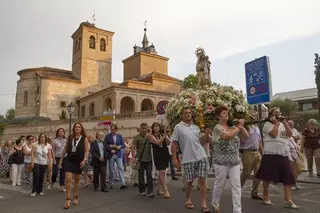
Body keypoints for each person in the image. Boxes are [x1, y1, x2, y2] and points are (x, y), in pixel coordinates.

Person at [256, 107, 299, 209]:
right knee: (267, 176)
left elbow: (289, 134)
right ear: (271, 115)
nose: (278, 114)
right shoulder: (267, 124)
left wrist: (284, 122)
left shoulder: (283, 125)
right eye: (276, 113)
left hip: (283, 153)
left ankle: (288, 200)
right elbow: (274, 134)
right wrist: (275, 123)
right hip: (270, 154)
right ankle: (265, 196)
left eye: (279, 113)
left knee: (288, 175)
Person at [172, 107, 211, 213]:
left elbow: (202, 142)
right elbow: (174, 143)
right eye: (186, 113)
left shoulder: (197, 127)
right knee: (189, 182)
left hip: (201, 156)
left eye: (190, 113)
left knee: (203, 181)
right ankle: (188, 199)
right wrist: (174, 158)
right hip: (188, 158)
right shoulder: (178, 127)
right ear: (182, 115)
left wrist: (207, 134)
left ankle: (203, 204)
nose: (188, 114)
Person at [211, 106, 249, 213]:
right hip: (221, 161)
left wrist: (241, 127)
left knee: (236, 185)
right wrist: (238, 127)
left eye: (227, 113)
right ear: (218, 116)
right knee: (220, 184)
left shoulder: (233, 127)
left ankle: (237, 210)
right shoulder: (217, 128)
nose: (226, 115)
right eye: (223, 113)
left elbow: (246, 136)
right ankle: (215, 203)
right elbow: (228, 136)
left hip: (234, 161)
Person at [59, 122, 89, 209]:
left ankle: (75, 197)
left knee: (77, 180)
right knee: (68, 179)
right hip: (69, 159)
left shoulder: (84, 138)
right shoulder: (70, 137)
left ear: (81, 129)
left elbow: (86, 150)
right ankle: (68, 199)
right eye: (76, 127)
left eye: (79, 127)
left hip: (79, 160)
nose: (77, 128)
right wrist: (61, 160)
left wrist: (84, 160)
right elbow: (65, 149)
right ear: (73, 128)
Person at [148, 122, 171, 198]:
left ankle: (159, 189)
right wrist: (164, 135)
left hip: (165, 153)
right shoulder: (151, 136)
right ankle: (165, 190)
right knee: (161, 172)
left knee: (163, 172)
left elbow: (168, 143)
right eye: (154, 127)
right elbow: (158, 142)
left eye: (157, 126)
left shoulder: (162, 134)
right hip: (158, 155)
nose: (156, 128)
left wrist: (165, 135)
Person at [132, 123, 155, 197]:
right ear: (140, 129)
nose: (144, 129)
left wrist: (150, 132)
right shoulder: (136, 137)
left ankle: (150, 191)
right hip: (140, 159)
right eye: (143, 128)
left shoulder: (149, 136)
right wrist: (133, 157)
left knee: (149, 175)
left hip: (149, 159)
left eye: (146, 128)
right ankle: (142, 190)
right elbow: (133, 147)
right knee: (141, 176)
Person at [105, 124, 129, 190]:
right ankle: (111, 183)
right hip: (111, 154)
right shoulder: (107, 136)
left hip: (118, 154)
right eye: (111, 129)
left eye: (113, 129)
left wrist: (120, 147)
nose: (112, 130)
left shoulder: (120, 136)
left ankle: (123, 183)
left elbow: (123, 145)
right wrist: (110, 148)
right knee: (111, 170)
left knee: (120, 168)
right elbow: (105, 145)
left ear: (116, 129)